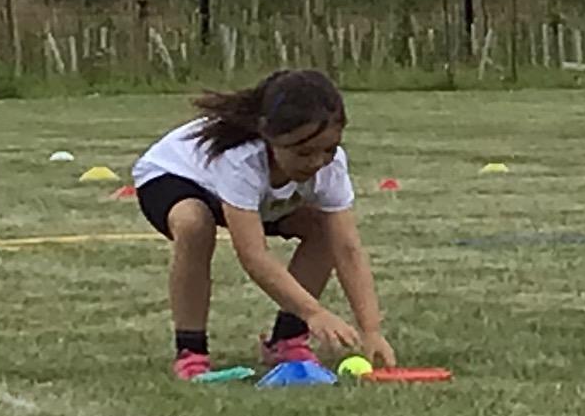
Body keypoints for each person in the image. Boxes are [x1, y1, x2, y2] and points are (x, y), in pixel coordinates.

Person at [130, 68, 397, 380]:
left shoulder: (330, 166)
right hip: (173, 177)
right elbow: (254, 256)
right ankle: (191, 351)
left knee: (323, 230)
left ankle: (287, 340)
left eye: (329, 149)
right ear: (269, 137)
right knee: (194, 224)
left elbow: (347, 249)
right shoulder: (241, 161)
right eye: (303, 152)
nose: (316, 162)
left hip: (246, 194)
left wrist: (371, 330)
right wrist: (314, 312)